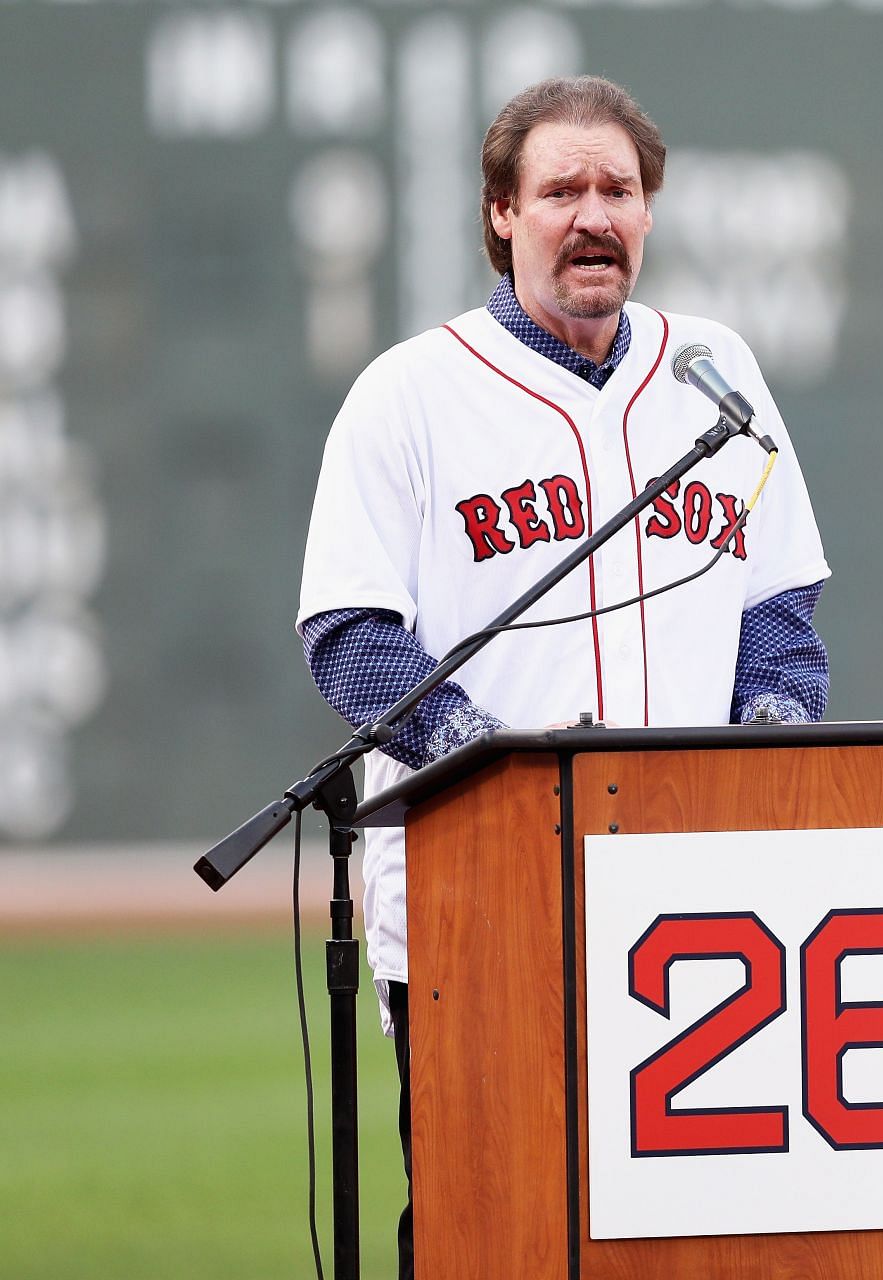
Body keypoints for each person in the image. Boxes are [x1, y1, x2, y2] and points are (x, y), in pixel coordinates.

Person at [294, 75, 831, 1275]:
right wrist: (498, 758)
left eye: (619, 190)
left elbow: (781, 609)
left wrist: (771, 736)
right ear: (502, 213)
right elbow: (352, 633)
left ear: (647, 214)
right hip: (478, 898)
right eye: (561, 190)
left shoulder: (716, 370)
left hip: (698, 902)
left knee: (691, 1236)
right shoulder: (409, 394)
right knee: (489, 1227)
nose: (593, 214)